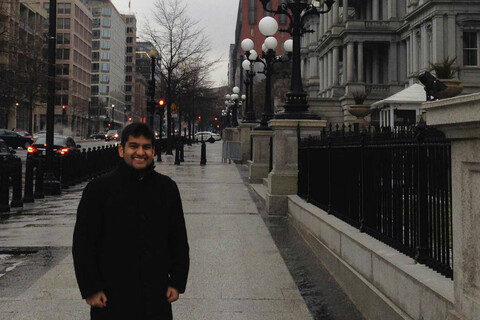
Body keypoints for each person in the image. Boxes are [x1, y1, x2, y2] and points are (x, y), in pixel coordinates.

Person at [72, 122, 189, 320]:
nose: (140, 153)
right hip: (111, 296)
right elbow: (84, 244)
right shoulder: (98, 189)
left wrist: (177, 282)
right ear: (121, 150)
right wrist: (91, 288)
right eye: (134, 146)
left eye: (146, 147)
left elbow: (178, 240)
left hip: (155, 295)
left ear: (153, 151)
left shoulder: (167, 188)